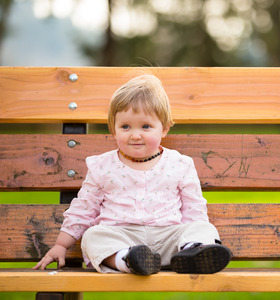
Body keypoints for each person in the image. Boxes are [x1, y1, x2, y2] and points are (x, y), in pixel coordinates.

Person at [33, 74, 232, 275]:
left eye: (146, 126)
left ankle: (192, 252)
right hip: (122, 237)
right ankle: (127, 260)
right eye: (125, 127)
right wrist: (61, 245)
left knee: (204, 229)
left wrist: (195, 234)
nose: (135, 135)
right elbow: (84, 208)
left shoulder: (180, 164)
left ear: (164, 128)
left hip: (169, 238)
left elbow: (194, 208)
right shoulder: (102, 166)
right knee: (93, 236)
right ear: (114, 129)